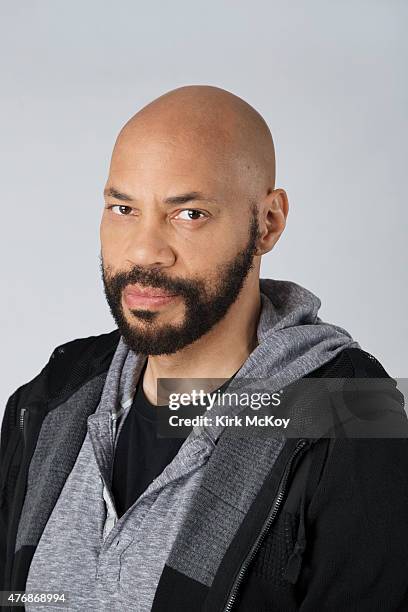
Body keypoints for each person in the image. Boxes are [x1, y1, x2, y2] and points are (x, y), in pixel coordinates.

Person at [1, 85, 407, 612]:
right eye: (123, 208)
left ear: (268, 224)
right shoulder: (54, 396)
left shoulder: (353, 416)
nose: (145, 250)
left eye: (189, 213)